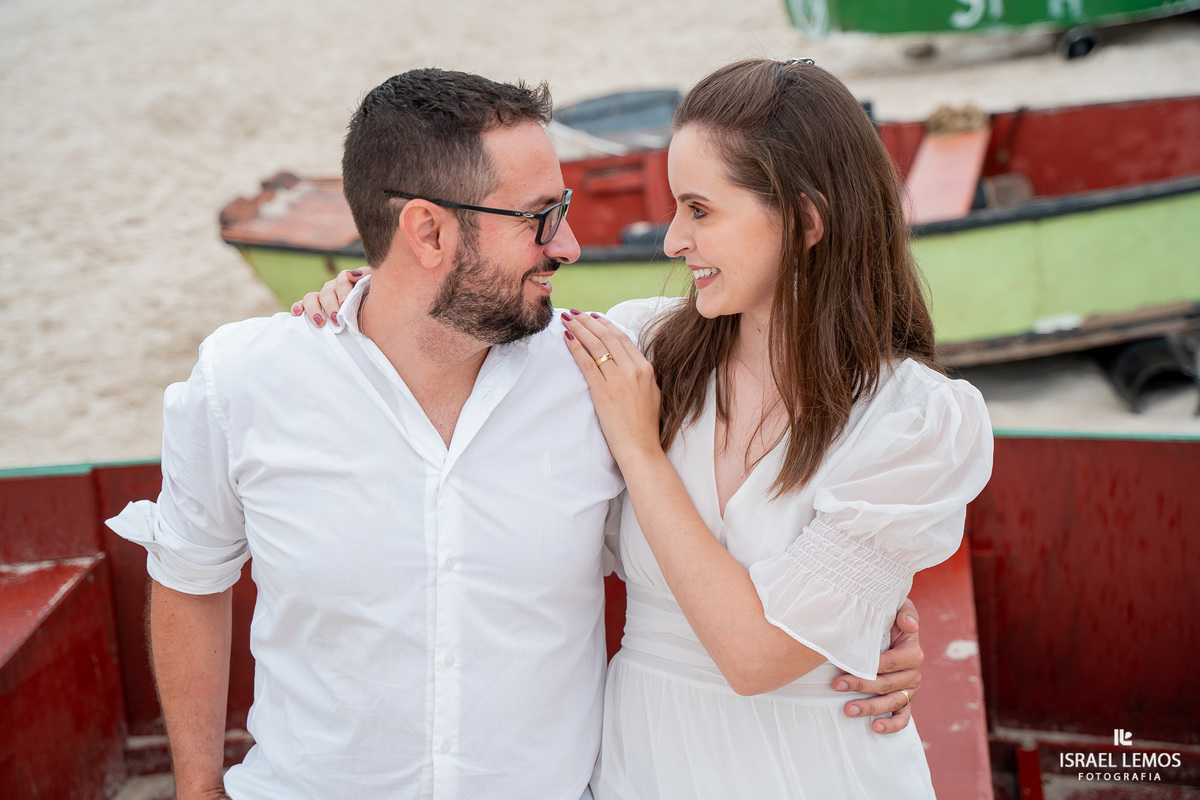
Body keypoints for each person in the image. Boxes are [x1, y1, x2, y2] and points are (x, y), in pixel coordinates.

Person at [110, 68, 923, 800]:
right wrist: (198, 786)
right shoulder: (247, 380)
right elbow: (190, 572)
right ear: (427, 234)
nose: (568, 245)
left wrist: (873, 605)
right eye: (541, 217)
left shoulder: (606, 369)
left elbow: (769, 415)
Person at [559, 59, 994, 798]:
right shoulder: (641, 348)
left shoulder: (916, 421)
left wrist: (640, 448)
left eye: (700, 210)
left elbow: (756, 657)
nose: (671, 241)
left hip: (821, 771)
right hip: (647, 765)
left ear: (805, 221)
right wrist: (351, 303)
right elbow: (466, 365)